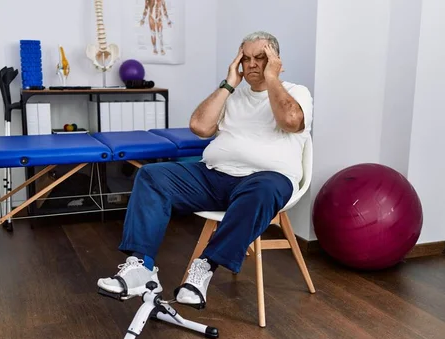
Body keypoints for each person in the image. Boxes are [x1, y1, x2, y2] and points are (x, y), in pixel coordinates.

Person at [97, 31, 313, 308]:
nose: (252, 65)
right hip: (214, 177)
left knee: (264, 189)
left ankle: (204, 269)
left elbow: (291, 121)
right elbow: (199, 127)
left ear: (276, 60)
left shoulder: (296, 93)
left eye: (261, 58)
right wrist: (229, 83)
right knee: (151, 175)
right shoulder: (232, 95)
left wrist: (271, 79)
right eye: (246, 59)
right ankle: (142, 267)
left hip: (265, 181)